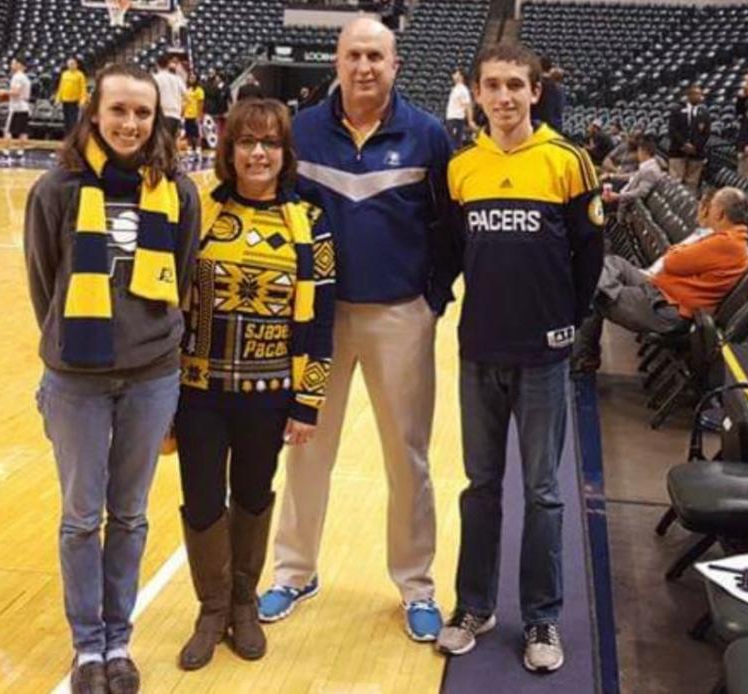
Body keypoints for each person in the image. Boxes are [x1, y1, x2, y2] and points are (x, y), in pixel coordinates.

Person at [257, 16, 455, 642]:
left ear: (395, 64)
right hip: (318, 319)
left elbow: (448, 228)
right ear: (336, 63)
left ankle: (416, 584)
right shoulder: (303, 131)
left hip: (400, 316)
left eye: (375, 55)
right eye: (353, 55)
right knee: (306, 446)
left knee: (408, 456)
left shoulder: (427, 135)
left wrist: (432, 297)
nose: (364, 66)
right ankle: (293, 571)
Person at [23, 62, 201, 694]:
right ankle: (86, 648)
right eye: (119, 110)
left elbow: (181, 281)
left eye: (142, 113)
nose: (130, 123)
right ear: (93, 112)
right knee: (80, 517)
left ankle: (119, 641)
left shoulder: (178, 193)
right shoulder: (56, 190)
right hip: (77, 378)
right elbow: (44, 283)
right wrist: (78, 344)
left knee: (128, 516)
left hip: (152, 377)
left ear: (157, 120)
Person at [434, 42, 603, 674]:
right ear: (476, 93)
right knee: (480, 487)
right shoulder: (461, 168)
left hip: (542, 357)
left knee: (542, 494)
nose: (503, 97)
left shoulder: (568, 161)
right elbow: (452, 251)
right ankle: (474, 606)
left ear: (535, 91)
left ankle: (542, 617)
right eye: (492, 86)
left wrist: (565, 325)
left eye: (514, 86)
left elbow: (589, 257)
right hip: (478, 351)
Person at [174, 98, 335, 671]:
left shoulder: (310, 222)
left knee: (252, 494)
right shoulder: (198, 210)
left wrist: (308, 402)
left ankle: (244, 601)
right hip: (197, 391)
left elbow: (320, 321)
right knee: (199, 499)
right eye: (247, 142)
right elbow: (171, 302)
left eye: (269, 143)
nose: (258, 153)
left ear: (285, 153)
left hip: (267, 398)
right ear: (230, 150)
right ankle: (210, 608)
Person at [573, 187, 748, 370]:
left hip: (668, 309)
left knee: (595, 292)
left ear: (721, 213)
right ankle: (602, 296)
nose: (708, 209)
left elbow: (672, 261)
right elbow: (677, 259)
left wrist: (679, 251)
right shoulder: (732, 241)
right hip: (662, 291)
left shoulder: (726, 243)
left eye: (712, 206)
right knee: (614, 263)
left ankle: (584, 356)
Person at [668, 84, 711, 195]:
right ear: (689, 95)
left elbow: (706, 133)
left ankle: (690, 206)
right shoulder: (677, 110)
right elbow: (672, 130)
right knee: (676, 181)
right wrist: (684, 144)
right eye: (696, 94)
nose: (699, 97)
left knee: (692, 183)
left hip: (696, 153)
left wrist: (695, 147)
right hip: (677, 151)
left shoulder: (705, 113)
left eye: (700, 94)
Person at [602, 137, 665, 208]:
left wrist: (617, 197)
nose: (637, 154)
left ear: (643, 151)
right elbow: (632, 175)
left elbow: (640, 193)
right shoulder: (648, 166)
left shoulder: (649, 170)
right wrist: (611, 175)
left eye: (638, 151)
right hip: (624, 194)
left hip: (626, 202)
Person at [153, 54, 186, 140]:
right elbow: (186, 96)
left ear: (157, 64)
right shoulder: (177, 79)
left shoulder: (155, 78)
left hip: (161, 114)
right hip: (175, 114)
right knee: (171, 142)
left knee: (161, 142)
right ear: (168, 64)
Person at [4, 57, 32, 156]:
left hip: (16, 107)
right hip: (25, 106)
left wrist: (3, 92)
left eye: (13, 63)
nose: (11, 65)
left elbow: (16, 92)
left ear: (19, 65)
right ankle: (21, 151)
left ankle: (6, 150)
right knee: (23, 131)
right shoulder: (26, 77)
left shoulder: (17, 77)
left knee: (8, 130)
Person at [56, 57, 89, 136]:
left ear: (76, 65)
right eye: (69, 64)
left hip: (75, 100)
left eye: (72, 64)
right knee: (66, 120)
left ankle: (73, 137)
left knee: (73, 121)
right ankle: (67, 136)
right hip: (65, 100)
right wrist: (58, 99)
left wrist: (82, 100)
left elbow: (83, 89)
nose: (71, 65)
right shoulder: (64, 74)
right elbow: (61, 87)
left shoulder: (80, 75)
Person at [445, 68, 475, 149]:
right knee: (451, 142)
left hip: (456, 119)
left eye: (456, 73)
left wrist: (470, 120)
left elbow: (468, 106)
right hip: (451, 119)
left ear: (461, 76)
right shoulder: (455, 89)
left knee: (455, 144)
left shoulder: (463, 90)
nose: (453, 75)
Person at [182, 73, 204, 155]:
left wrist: (200, 115)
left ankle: (198, 147)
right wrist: (182, 113)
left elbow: (201, 104)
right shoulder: (188, 90)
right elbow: (184, 102)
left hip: (195, 114)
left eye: (193, 77)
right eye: (190, 77)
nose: (191, 79)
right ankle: (190, 147)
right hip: (187, 114)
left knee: (197, 133)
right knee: (188, 132)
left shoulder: (199, 90)